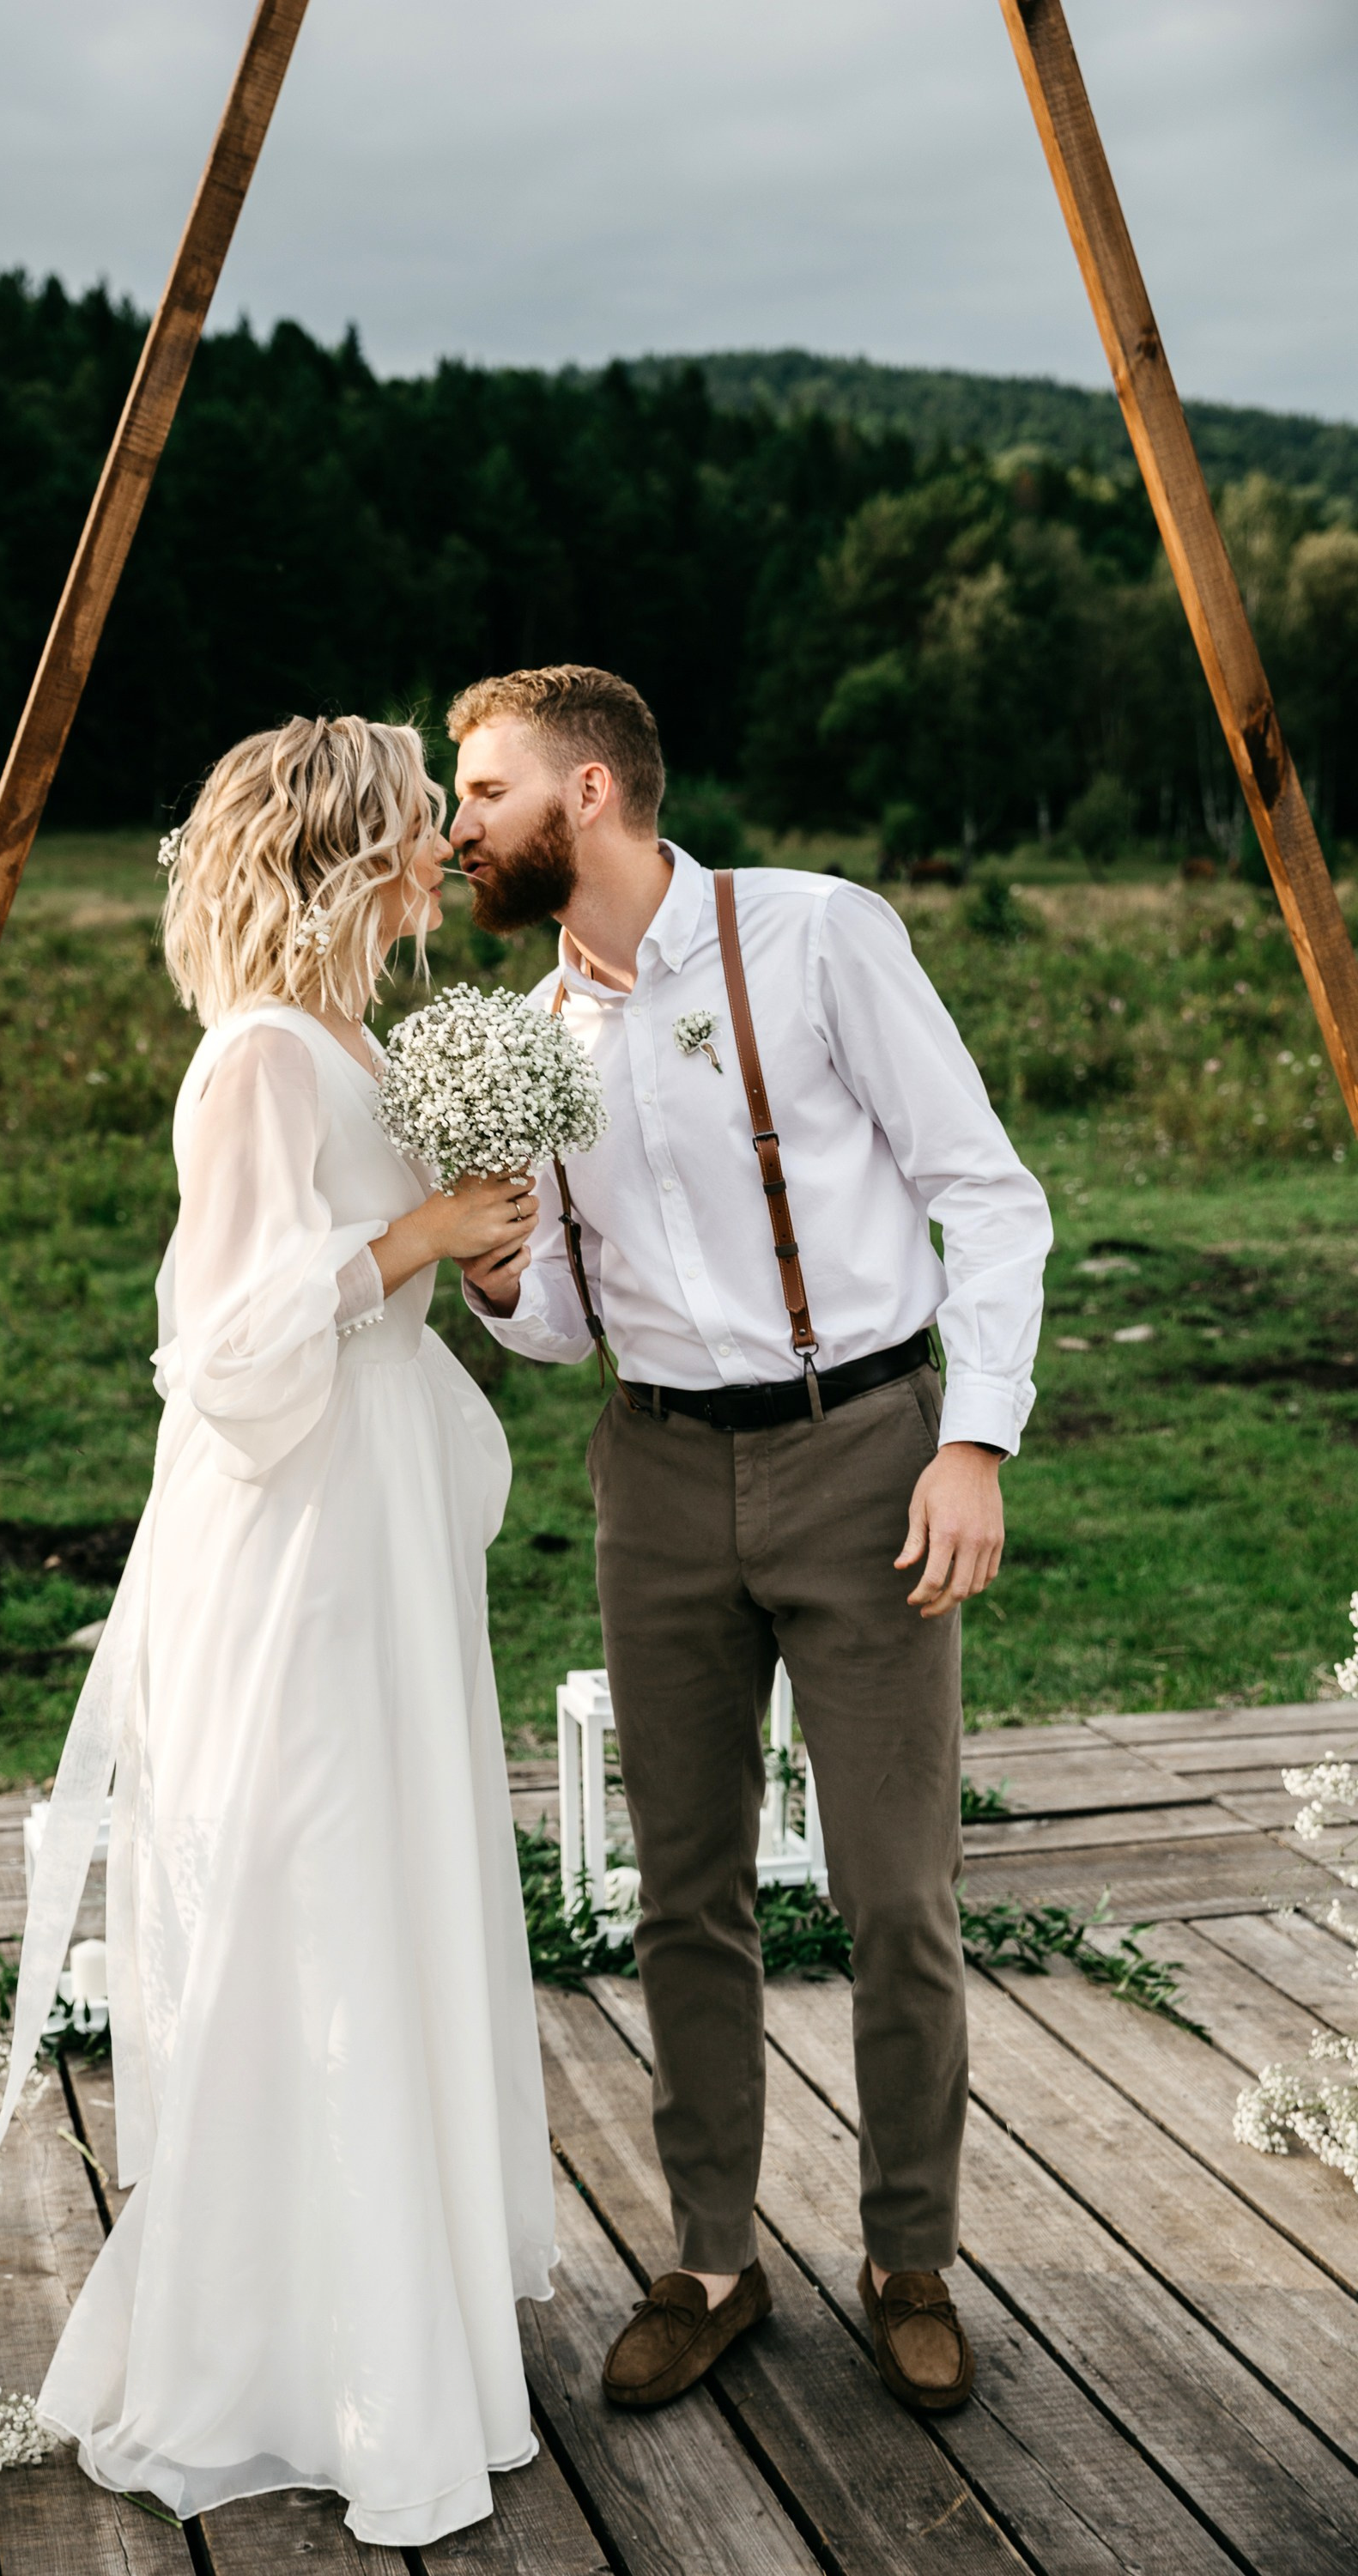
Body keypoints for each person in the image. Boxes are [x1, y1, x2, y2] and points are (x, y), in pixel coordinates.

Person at [451, 665, 1052, 2418]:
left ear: (587, 788)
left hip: (865, 1451)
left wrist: (972, 1439)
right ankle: (713, 2259)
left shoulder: (810, 938)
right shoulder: (530, 1036)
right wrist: (499, 1279)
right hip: (651, 1475)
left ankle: (908, 2253)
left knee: (895, 1894)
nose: (455, 826)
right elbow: (559, 1317)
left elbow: (983, 1194)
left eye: (479, 790)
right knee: (682, 1891)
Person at [0, 715, 556, 2546]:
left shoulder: (353, 1041)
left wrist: (463, 1255)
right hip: (293, 1540)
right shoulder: (254, 1060)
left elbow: (352, 1290)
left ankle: (398, 2341)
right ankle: (283, 2357)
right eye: (411, 830)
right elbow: (221, 1352)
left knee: (384, 1887)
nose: (440, 858)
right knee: (307, 1888)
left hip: (371, 1513)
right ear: (344, 860)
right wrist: (407, 1249)